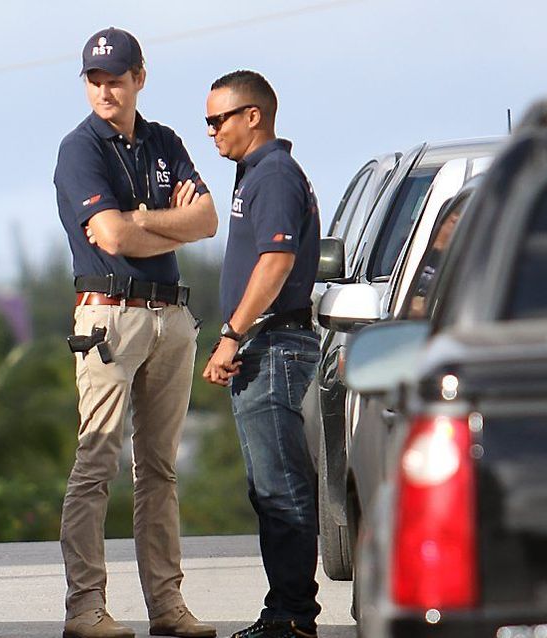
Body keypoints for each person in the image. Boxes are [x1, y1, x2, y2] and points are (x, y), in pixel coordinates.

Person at [53, 26, 218, 638]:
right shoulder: (80, 148)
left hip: (171, 316)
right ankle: (85, 609)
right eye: (94, 80)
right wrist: (158, 222)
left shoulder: (164, 140)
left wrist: (145, 219)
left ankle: (166, 606)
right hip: (108, 315)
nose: (104, 91)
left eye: (115, 79)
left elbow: (207, 221)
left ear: (139, 78)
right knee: (97, 462)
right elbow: (113, 238)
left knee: (160, 469)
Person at [201, 70, 321, 638]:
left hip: (273, 346)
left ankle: (293, 616)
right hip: (266, 345)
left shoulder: (272, 174)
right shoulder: (257, 174)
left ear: (254, 116)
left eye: (218, 119)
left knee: (281, 488)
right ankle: (285, 610)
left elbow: (276, 262)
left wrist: (231, 334)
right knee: (268, 487)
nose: (211, 131)